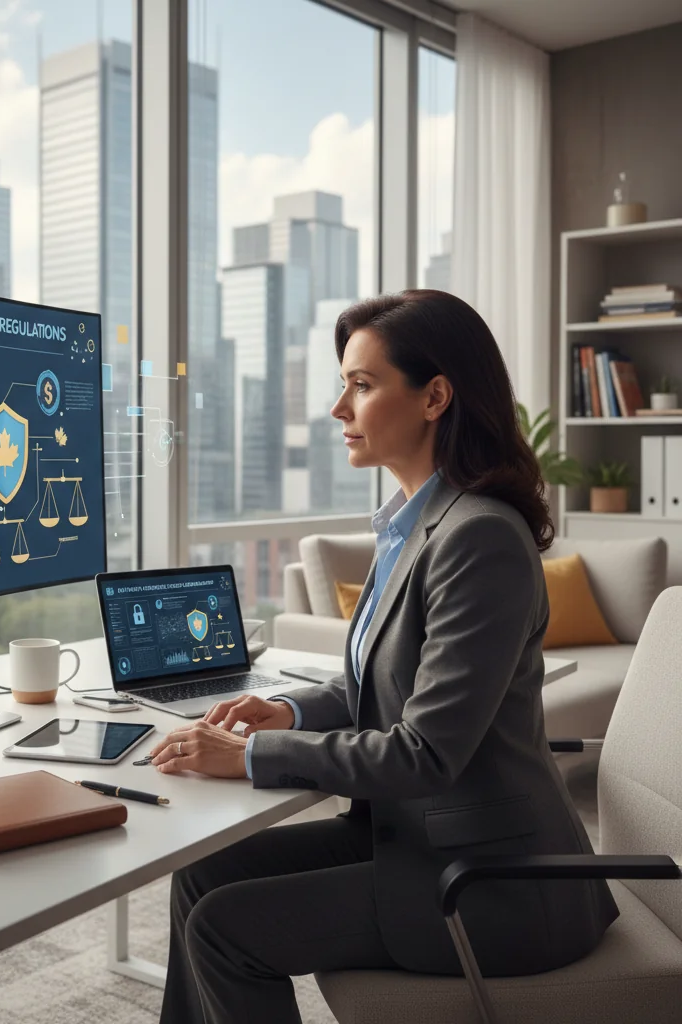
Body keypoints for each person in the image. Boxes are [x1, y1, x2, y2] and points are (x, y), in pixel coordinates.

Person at [148, 290, 619, 1024]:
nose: (339, 408)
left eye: (361, 385)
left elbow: (425, 752)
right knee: (201, 873)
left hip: (493, 881)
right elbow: (378, 680)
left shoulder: (480, 538)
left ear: (435, 396)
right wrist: (289, 709)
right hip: (416, 838)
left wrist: (250, 755)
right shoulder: (415, 524)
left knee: (226, 931)